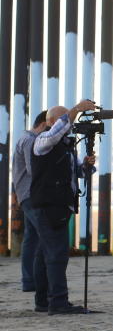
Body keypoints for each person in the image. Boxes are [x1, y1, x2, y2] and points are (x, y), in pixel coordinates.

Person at [30, 99, 98, 315]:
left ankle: (43, 301)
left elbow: (75, 172)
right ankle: (58, 302)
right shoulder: (42, 141)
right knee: (57, 254)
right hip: (48, 206)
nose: (69, 122)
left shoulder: (66, 147)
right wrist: (76, 109)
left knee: (44, 253)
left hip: (59, 205)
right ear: (50, 121)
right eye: (62, 118)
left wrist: (87, 165)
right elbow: (55, 132)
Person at [12, 111, 48, 293]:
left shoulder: (24, 137)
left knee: (31, 238)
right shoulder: (30, 140)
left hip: (26, 194)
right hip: (31, 194)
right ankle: (35, 280)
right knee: (45, 235)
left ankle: (29, 281)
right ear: (43, 124)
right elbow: (33, 168)